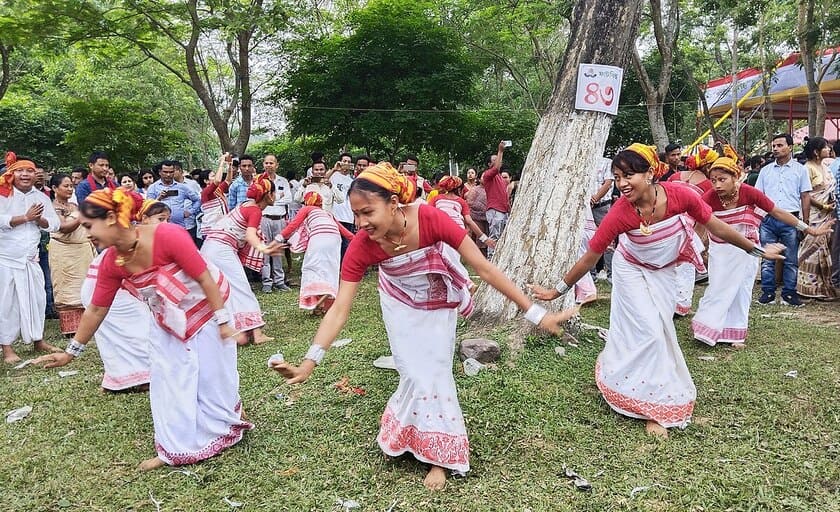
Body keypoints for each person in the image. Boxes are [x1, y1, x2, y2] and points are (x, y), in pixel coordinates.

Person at [271, 163, 571, 490]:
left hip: (438, 298)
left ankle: (438, 458)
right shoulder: (362, 244)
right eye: (356, 214)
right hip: (398, 303)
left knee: (435, 371)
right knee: (412, 372)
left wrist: (537, 315)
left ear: (394, 203)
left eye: (367, 212)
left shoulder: (430, 218)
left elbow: (484, 270)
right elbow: (340, 309)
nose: (361, 222)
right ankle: (410, 432)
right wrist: (309, 362)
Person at [528, 144, 785, 438]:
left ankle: (638, 384)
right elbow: (590, 256)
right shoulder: (619, 212)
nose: (622, 183)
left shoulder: (681, 196)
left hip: (664, 269)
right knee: (649, 329)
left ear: (650, 173)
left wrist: (756, 251)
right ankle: (652, 408)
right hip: (630, 268)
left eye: (629, 175)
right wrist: (556, 291)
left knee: (661, 328)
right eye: (616, 176)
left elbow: (716, 226)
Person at [37, 187, 252, 470]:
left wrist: (224, 323)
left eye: (90, 225)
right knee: (168, 379)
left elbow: (204, 279)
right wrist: (71, 353)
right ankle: (176, 449)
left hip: (209, 308)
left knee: (214, 376)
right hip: (168, 317)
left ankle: (227, 423)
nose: (87, 233)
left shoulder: (167, 235)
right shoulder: (112, 262)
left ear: (112, 217)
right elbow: (97, 309)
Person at [692, 157, 832, 348]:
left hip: (748, 250)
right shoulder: (708, 198)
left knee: (742, 289)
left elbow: (778, 212)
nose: (716, 185)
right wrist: (696, 249)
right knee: (717, 288)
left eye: (722, 179)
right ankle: (709, 329)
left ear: (736, 177)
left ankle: (735, 334)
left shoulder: (750, 192)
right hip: (721, 251)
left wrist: (808, 229)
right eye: (713, 180)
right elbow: (699, 224)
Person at [79, 200, 168, 392]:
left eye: (167, 219)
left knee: (131, 330)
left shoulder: (155, 237)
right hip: (108, 290)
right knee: (141, 329)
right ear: (143, 218)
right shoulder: (126, 241)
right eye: (160, 219)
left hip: (111, 289)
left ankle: (126, 379)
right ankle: (141, 376)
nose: (165, 224)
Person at [201, 175, 283, 345]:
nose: (276, 197)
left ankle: (235, 329)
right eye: (275, 193)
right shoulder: (255, 210)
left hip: (210, 247)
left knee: (224, 289)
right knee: (242, 287)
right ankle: (257, 333)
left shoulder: (245, 205)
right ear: (268, 195)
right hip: (222, 249)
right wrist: (264, 248)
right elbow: (250, 234)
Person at [0, 153, 62, 363]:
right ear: (12, 173)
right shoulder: (3, 194)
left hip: (31, 258)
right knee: (6, 303)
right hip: (6, 259)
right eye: (20, 170)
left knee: (37, 299)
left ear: (36, 174)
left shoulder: (41, 197)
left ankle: (38, 340)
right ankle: (7, 348)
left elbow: (55, 224)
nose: (25, 174)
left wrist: (40, 221)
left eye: (29, 171)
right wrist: (25, 218)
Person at [755, 134, 813, 306]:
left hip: (791, 218)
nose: (775, 149)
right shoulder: (765, 171)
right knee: (767, 257)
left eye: (780, 145)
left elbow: (805, 196)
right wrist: (759, 217)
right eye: (774, 146)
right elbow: (758, 196)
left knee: (791, 258)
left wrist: (805, 222)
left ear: (790, 147)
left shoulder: (800, 169)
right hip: (768, 219)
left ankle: (789, 293)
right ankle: (768, 292)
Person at [276, 191, 354, 314]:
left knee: (311, 268)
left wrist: (279, 238)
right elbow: (345, 232)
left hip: (319, 238)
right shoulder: (328, 214)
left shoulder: (307, 209)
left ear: (307, 202)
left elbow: (294, 224)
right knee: (330, 271)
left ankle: (318, 301)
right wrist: (359, 241)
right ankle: (324, 301)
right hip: (334, 240)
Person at [49, 173, 97, 336]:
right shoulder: (53, 207)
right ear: (55, 188)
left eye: (71, 186)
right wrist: (82, 216)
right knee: (67, 287)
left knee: (85, 285)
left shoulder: (74, 206)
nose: (70, 189)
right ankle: (70, 329)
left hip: (82, 251)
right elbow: (64, 228)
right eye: (66, 186)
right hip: (64, 252)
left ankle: (87, 326)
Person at [797, 137, 837, 299]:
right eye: (825, 147)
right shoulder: (807, 168)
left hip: (827, 215)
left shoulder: (826, 167)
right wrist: (823, 206)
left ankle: (822, 287)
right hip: (814, 214)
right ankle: (807, 288)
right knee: (810, 247)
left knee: (824, 246)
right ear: (816, 152)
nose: (829, 150)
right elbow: (806, 194)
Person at [259, 154, 293, 293]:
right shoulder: (260, 181)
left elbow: (289, 198)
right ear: (263, 164)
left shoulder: (283, 181)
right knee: (265, 250)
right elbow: (259, 198)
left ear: (276, 165)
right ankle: (267, 281)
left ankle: (279, 281)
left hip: (279, 219)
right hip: (264, 219)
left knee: (278, 250)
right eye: (266, 163)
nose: (268, 165)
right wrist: (279, 197)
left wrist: (271, 200)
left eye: (271, 163)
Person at [146, 160, 201, 234]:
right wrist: (159, 198)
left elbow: (197, 200)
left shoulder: (182, 187)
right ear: (160, 172)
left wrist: (190, 212)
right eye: (165, 172)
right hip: (160, 229)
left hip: (180, 228)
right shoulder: (153, 188)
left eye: (171, 172)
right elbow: (147, 207)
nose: (168, 175)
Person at [482, 142, 511, 259]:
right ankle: (491, 259)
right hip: (495, 210)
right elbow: (496, 168)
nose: (498, 160)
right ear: (489, 164)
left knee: (502, 236)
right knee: (494, 236)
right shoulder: (488, 175)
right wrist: (500, 151)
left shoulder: (499, 177)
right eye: (494, 160)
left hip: (503, 210)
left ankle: (499, 259)